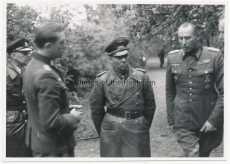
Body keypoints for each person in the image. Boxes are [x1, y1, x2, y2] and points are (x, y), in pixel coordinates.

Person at [23, 23, 82, 157]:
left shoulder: (32, 66)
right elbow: (51, 122)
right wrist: (72, 117)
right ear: (48, 46)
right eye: (62, 42)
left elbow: (38, 106)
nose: (65, 46)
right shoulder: (46, 74)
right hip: (54, 149)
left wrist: (63, 108)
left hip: (40, 143)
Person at [90, 37, 156, 157]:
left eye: (125, 56)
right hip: (112, 130)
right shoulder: (102, 80)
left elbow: (150, 106)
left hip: (137, 127)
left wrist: (142, 124)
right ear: (110, 59)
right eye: (118, 57)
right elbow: (96, 110)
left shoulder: (142, 77)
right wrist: (105, 131)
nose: (123, 60)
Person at [166, 22, 223, 157]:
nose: (183, 42)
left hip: (207, 118)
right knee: (193, 154)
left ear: (198, 37)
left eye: (188, 38)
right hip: (182, 119)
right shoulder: (172, 57)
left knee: (202, 155)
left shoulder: (214, 56)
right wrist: (171, 119)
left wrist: (214, 120)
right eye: (180, 38)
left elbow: (225, 92)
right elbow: (169, 91)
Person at [6, 38, 32, 157]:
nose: (28, 55)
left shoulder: (26, 72)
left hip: (27, 125)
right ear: (13, 55)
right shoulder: (3, 75)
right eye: (24, 53)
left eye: (28, 52)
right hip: (10, 128)